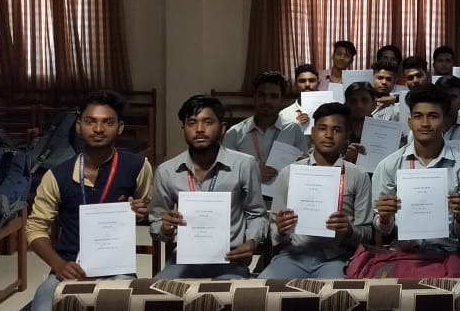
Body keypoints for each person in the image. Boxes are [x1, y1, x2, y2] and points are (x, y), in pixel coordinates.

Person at [27, 91, 153, 311]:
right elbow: (35, 229)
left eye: (108, 122)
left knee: (123, 302)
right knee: (42, 303)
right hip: (70, 266)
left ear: (120, 127)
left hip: (117, 268)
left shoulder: (138, 167)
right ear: (78, 126)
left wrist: (141, 213)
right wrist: (59, 264)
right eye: (90, 121)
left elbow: (147, 208)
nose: (98, 129)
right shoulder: (57, 175)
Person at [150, 95, 266, 279]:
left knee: (232, 293)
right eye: (192, 123)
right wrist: (165, 228)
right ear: (183, 129)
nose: (199, 129)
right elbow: (156, 222)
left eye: (208, 122)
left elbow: (257, 214)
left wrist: (251, 242)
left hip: (229, 259)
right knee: (158, 290)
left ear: (222, 128)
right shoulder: (167, 171)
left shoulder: (244, 165)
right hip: (185, 260)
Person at [259, 103, 374, 278]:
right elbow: (274, 227)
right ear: (313, 133)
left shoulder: (358, 176)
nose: (328, 135)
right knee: (263, 289)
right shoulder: (289, 173)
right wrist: (281, 229)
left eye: (337, 130)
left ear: (347, 137)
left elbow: (367, 233)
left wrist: (349, 231)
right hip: (293, 255)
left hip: (337, 259)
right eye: (322, 128)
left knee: (340, 293)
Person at [371, 84, 460, 274]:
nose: (425, 123)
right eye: (418, 116)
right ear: (410, 122)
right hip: (402, 253)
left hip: (447, 254)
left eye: (433, 116)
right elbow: (383, 230)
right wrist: (384, 218)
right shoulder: (389, 166)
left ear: (445, 121)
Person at [222, 71, 310, 202]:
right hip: (244, 201)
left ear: (282, 99)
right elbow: (225, 174)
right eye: (262, 95)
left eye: (273, 96)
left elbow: (305, 166)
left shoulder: (294, 130)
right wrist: (253, 174)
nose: (267, 101)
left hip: (282, 201)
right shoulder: (234, 133)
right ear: (254, 97)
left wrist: (302, 164)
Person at [343, 82, 380, 164]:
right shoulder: (338, 134)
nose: (359, 105)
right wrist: (344, 159)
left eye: (364, 100)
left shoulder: (387, 133)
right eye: (353, 101)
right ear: (346, 105)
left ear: (374, 105)